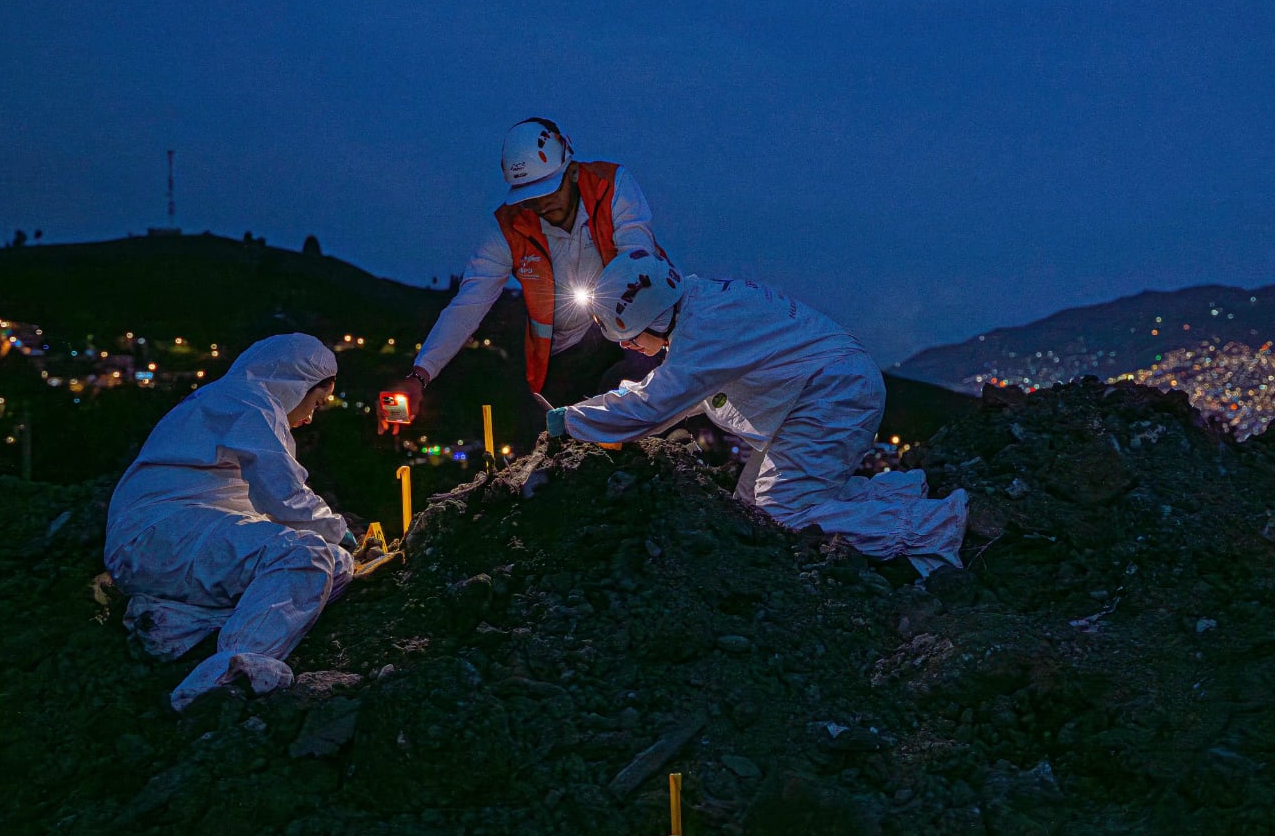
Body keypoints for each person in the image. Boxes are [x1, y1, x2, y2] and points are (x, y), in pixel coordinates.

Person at [543, 251, 968, 575]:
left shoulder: (704, 330)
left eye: (630, 337)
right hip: (827, 389)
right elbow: (677, 389)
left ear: (652, 319)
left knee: (780, 513)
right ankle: (895, 498)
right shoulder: (700, 309)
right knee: (750, 506)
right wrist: (602, 410)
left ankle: (930, 526)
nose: (627, 347)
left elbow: (656, 404)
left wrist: (573, 420)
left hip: (832, 395)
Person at [105, 333, 355, 710]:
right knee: (305, 554)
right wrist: (340, 530)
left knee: (334, 564)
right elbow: (284, 495)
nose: (310, 415)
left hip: (179, 539)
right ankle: (229, 674)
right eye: (316, 401)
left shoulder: (234, 399)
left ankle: (170, 626)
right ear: (297, 383)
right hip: (158, 534)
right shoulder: (248, 403)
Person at [382, 117, 671, 430]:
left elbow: (639, 262)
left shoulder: (612, 185)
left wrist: (644, 329)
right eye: (530, 196)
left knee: (645, 384)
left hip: (631, 331)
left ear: (571, 171)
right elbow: (468, 305)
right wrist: (419, 376)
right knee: (558, 432)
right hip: (565, 354)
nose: (542, 203)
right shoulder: (508, 227)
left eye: (549, 190)